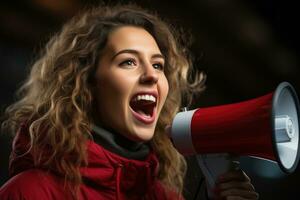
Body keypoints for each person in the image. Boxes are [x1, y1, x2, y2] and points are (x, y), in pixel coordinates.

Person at [0, 4, 259, 200]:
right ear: (86, 82)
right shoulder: (31, 191)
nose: (151, 75)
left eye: (158, 65)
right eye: (128, 62)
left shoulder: (164, 196)